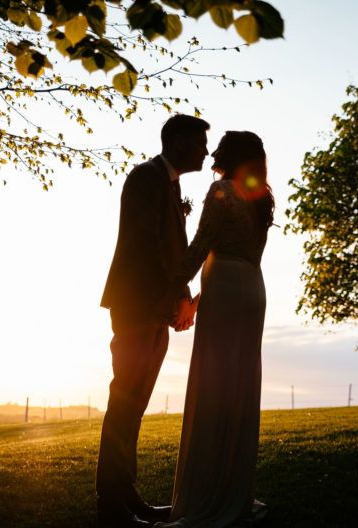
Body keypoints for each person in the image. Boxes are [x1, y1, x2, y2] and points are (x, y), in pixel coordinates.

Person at [154, 131, 274, 528]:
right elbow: (243, 259)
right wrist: (198, 301)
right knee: (236, 389)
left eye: (222, 144)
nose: (214, 150)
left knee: (213, 387)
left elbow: (202, 246)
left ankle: (205, 500)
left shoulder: (222, 189)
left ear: (234, 154)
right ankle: (231, 491)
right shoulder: (260, 197)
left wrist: (174, 292)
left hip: (225, 291)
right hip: (251, 292)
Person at [97, 114, 211, 528]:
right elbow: (146, 246)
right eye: (200, 142)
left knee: (136, 404)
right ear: (179, 141)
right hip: (135, 304)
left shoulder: (172, 183)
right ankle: (110, 505)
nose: (205, 151)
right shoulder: (145, 176)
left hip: (155, 308)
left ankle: (129, 498)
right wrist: (169, 298)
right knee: (124, 401)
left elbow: (173, 248)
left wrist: (178, 297)